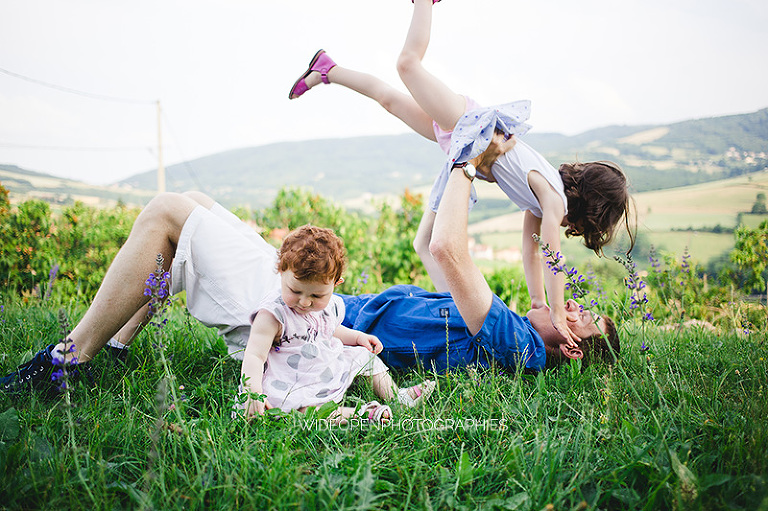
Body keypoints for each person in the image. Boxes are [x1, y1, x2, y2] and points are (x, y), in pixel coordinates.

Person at [0, 139, 618, 401]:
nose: (572, 308)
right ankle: (117, 342)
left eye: (582, 320)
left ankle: (68, 361)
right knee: (201, 209)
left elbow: (455, 254)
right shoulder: (503, 320)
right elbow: (431, 244)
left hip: (306, 323)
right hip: (323, 312)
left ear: (570, 349)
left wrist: (469, 159)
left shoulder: (519, 345)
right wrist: (456, 164)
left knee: (167, 211)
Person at [288, 0, 634, 345]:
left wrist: (538, 302)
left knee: (390, 100)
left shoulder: (540, 206)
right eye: (579, 229)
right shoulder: (554, 199)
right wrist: (557, 311)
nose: (568, 231)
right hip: (470, 126)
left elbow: (532, 249)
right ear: (583, 215)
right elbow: (552, 257)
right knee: (407, 65)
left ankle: (327, 71)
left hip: (464, 140)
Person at [235, 224, 434, 423]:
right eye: (295, 291)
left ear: (336, 283)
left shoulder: (330, 306)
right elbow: (255, 355)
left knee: (364, 357)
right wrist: (253, 392)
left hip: (324, 364)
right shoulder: (273, 314)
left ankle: (397, 396)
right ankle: (363, 415)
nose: (305, 302)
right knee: (306, 411)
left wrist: (357, 337)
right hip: (290, 381)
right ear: (281, 272)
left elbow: (329, 329)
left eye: (316, 295)